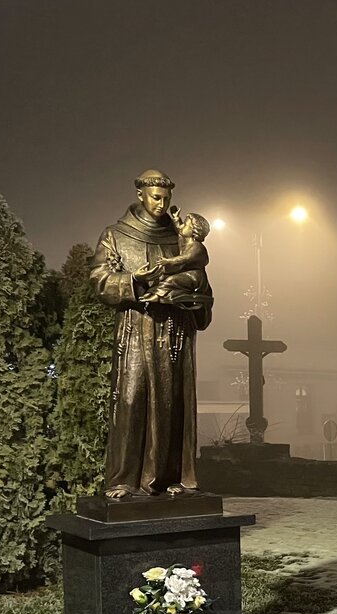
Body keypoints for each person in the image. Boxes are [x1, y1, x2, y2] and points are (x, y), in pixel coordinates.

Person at [90, 170, 213, 499]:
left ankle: (169, 477)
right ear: (141, 195)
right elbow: (100, 280)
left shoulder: (180, 239)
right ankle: (123, 480)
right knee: (131, 401)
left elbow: (203, 288)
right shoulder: (115, 235)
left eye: (166, 198)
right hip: (135, 329)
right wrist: (133, 281)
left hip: (174, 333)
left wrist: (186, 297)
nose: (161, 204)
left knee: (171, 404)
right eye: (155, 197)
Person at [140, 207, 214, 321]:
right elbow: (180, 229)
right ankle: (156, 293)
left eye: (185, 224)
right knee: (167, 279)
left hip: (195, 277)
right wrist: (176, 218)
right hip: (187, 274)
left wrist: (168, 261)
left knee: (171, 281)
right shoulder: (184, 239)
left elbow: (184, 258)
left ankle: (158, 296)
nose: (182, 226)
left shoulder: (197, 247)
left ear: (194, 231)